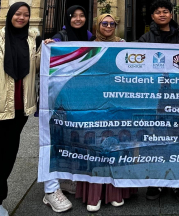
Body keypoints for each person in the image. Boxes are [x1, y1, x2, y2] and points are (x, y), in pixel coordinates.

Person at [0, 2, 73, 216]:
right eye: (18, 14)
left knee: (6, 159)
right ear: (10, 15)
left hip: (19, 113)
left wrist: (50, 47)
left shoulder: (33, 41)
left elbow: (42, 65)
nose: (21, 18)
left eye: (26, 15)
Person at [71, 14, 138, 212]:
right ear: (98, 25)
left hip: (117, 102)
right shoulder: (89, 46)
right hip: (95, 102)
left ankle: (116, 192)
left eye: (112, 23)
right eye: (104, 23)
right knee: (95, 146)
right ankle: (94, 194)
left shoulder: (124, 45)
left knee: (116, 145)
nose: (108, 26)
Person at [136, 0, 179, 203]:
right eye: (157, 12)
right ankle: (155, 181)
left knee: (178, 140)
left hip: (177, 96)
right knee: (156, 141)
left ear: (171, 14)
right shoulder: (145, 38)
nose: (162, 14)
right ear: (152, 17)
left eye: (165, 11)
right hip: (154, 96)